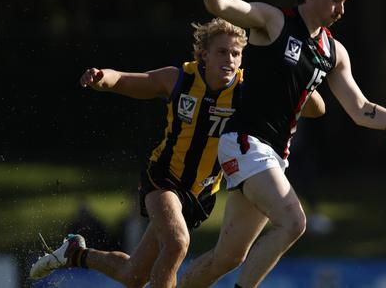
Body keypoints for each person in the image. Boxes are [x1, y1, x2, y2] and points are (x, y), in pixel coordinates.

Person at [179, 0, 386, 288]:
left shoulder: (333, 53)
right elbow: (220, 4)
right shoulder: (274, 22)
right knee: (293, 222)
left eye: (345, 2)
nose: (341, 9)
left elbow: (361, 109)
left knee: (228, 257)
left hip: (273, 156)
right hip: (244, 143)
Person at [28, 17, 326, 288]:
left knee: (133, 274)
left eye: (236, 54)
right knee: (177, 243)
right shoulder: (180, 79)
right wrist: (101, 77)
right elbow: (130, 81)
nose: (230, 60)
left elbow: (314, 109)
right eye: (222, 52)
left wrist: (289, 78)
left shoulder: (249, 88)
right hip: (164, 179)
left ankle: (76, 253)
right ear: (204, 54)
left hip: (200, 195)